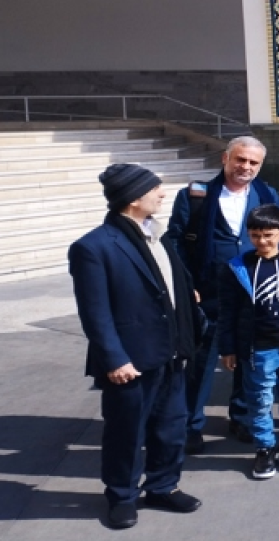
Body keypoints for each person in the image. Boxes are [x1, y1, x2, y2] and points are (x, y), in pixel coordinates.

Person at [70, 164, 203, 529]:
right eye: (155, 188)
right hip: (130, 361)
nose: (162, 193)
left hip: (171, 352)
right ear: (133, 197)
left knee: (171, 429)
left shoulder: (158, 235)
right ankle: (122, 497)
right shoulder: (93, 247)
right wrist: (114, 359)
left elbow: (167, 284)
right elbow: (95, 313)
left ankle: (163, 487)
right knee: (126, 434)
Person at [166, 136, 279, 454]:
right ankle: (190, 425)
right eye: (240, 159)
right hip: (208, 294)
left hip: (252, 294)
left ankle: (241, 417)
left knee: (248, 360)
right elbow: (175, 242)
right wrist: (186, 285)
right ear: (225, 158)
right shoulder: (195, 196)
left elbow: (276, 241)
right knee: (201, 363)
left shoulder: (266, 195)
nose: (246, 166)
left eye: (253, 162)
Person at [219, 204, 279, 480]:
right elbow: (227, 311)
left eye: (268, 235)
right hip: (258, 349)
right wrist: (227, 348)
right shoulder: (237, 268)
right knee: (260, 400)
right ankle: (264, 448)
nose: (262, 241)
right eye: (255, 235)